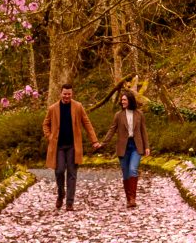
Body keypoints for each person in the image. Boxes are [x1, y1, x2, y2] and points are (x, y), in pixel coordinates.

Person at [43, 83, 100, 211]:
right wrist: (50, 136)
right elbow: (45, 124)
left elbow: (87, 123)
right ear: (61, 94)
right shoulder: (53, 108)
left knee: (72, 174)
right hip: (58, 146)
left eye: (69, 94)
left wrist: (94, 140)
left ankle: (69, 202)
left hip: (73, 146)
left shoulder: (78, 106)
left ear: (72, 94)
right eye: (65, 94)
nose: (67, 96)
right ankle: (61, 194)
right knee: (59, 171)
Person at [102, 86, 150, 209]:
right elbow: (112, 130)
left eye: (125, 100)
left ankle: (133, 198)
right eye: (122, 100)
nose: (122, 102)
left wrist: (147, 147)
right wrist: (103, 143)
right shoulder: (118, 115)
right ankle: (128, 198)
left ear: (130, 100)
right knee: (125, 173)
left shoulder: (139, 114)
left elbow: (143, 131)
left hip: (136, 146)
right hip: (123, 147)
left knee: (133, 169)